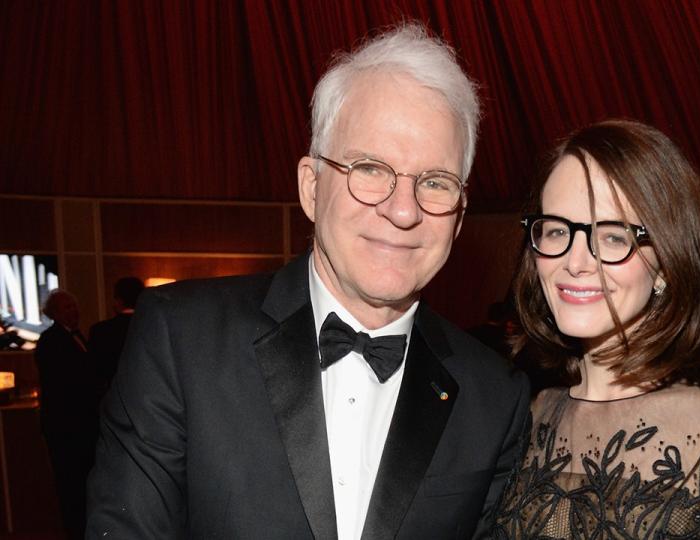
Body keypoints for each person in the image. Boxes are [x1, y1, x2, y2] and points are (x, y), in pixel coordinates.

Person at [87, 23, 529, 539]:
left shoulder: (495, 396)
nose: (404, 210)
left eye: (435, 182)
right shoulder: (181, 340)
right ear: (312, 187)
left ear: (457, 216)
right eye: (370, 168)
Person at [493, 120, 700, 539]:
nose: (575, 262)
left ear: (666, 260)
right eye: (556, 230)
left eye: (612, 237)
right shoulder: (529, 414)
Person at [35, 289, 98, 539]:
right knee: (70, 483)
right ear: (54, 313)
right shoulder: (50, 341)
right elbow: (64, 384)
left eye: (74, 306)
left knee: (83, 481)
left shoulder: (77, 335)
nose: (74, 311)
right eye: (67, 308)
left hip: (81, 426)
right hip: (66, 428)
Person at [87, 276, 144, 392]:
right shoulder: (152, 328)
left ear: (118, 300)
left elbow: (94, 372)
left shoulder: (100, 331)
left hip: (111, 395)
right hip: (145, 396)